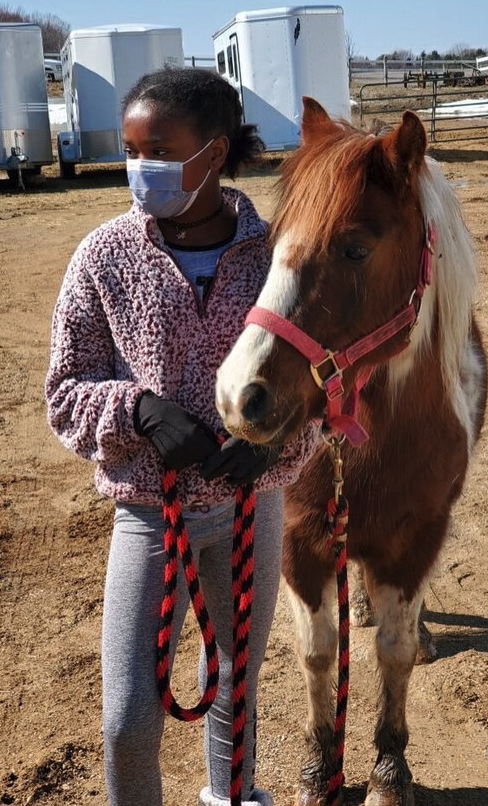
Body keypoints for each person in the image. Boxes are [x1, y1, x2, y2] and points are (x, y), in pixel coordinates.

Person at [45, 67, 319, 806]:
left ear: (212, 153)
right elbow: (64, 393)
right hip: (148, 516)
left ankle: (232, 796)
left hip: (247, 509)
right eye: (132, 151)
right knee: (128, 715)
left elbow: (317, 391)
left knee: (235, 684)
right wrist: (137, 411)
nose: (140, 170)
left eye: (158, 151)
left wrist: (274, 445)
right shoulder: (104, 258)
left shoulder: (277, 258)